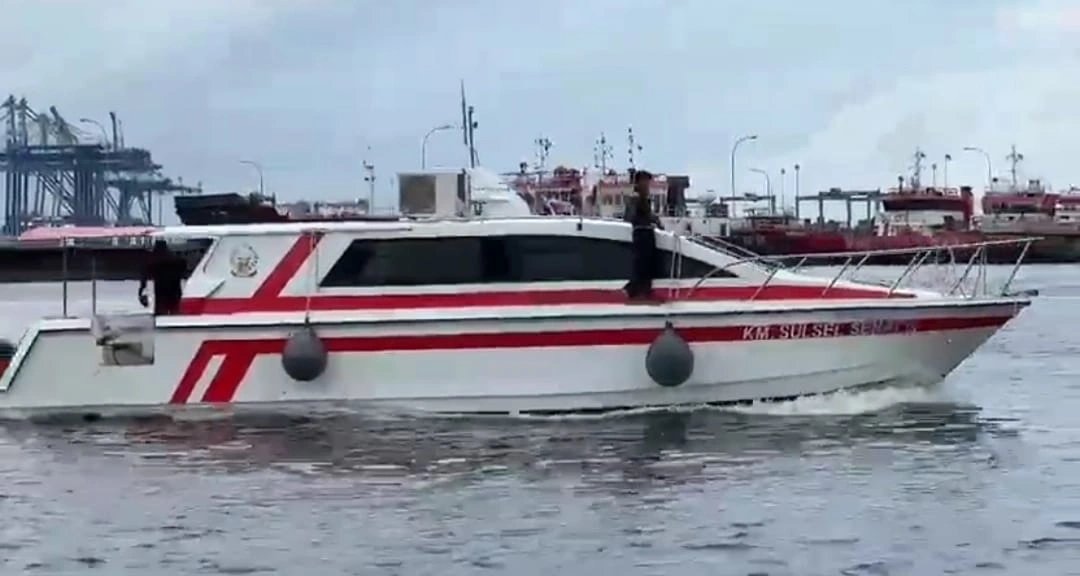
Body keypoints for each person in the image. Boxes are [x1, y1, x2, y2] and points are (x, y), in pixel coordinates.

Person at [622, 169, 664, 300]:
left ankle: (643, 290)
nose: (647, 185)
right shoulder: (635, 197)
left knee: (648, 263)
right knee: (643, 264)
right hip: (641, 233)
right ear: (639, 182)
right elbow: (631, 216)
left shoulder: (643, 197)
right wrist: (653, 220)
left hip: (646, 232)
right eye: (645, 181)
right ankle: (634, 291)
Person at [138, 240, 187, 315]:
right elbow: (183, 267)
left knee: (161, 309)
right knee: (175, 309)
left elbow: (145, 273)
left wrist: (141, 289)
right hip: (174, 287)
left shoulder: (153, 260)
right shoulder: (175, 259)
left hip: (160, 288)